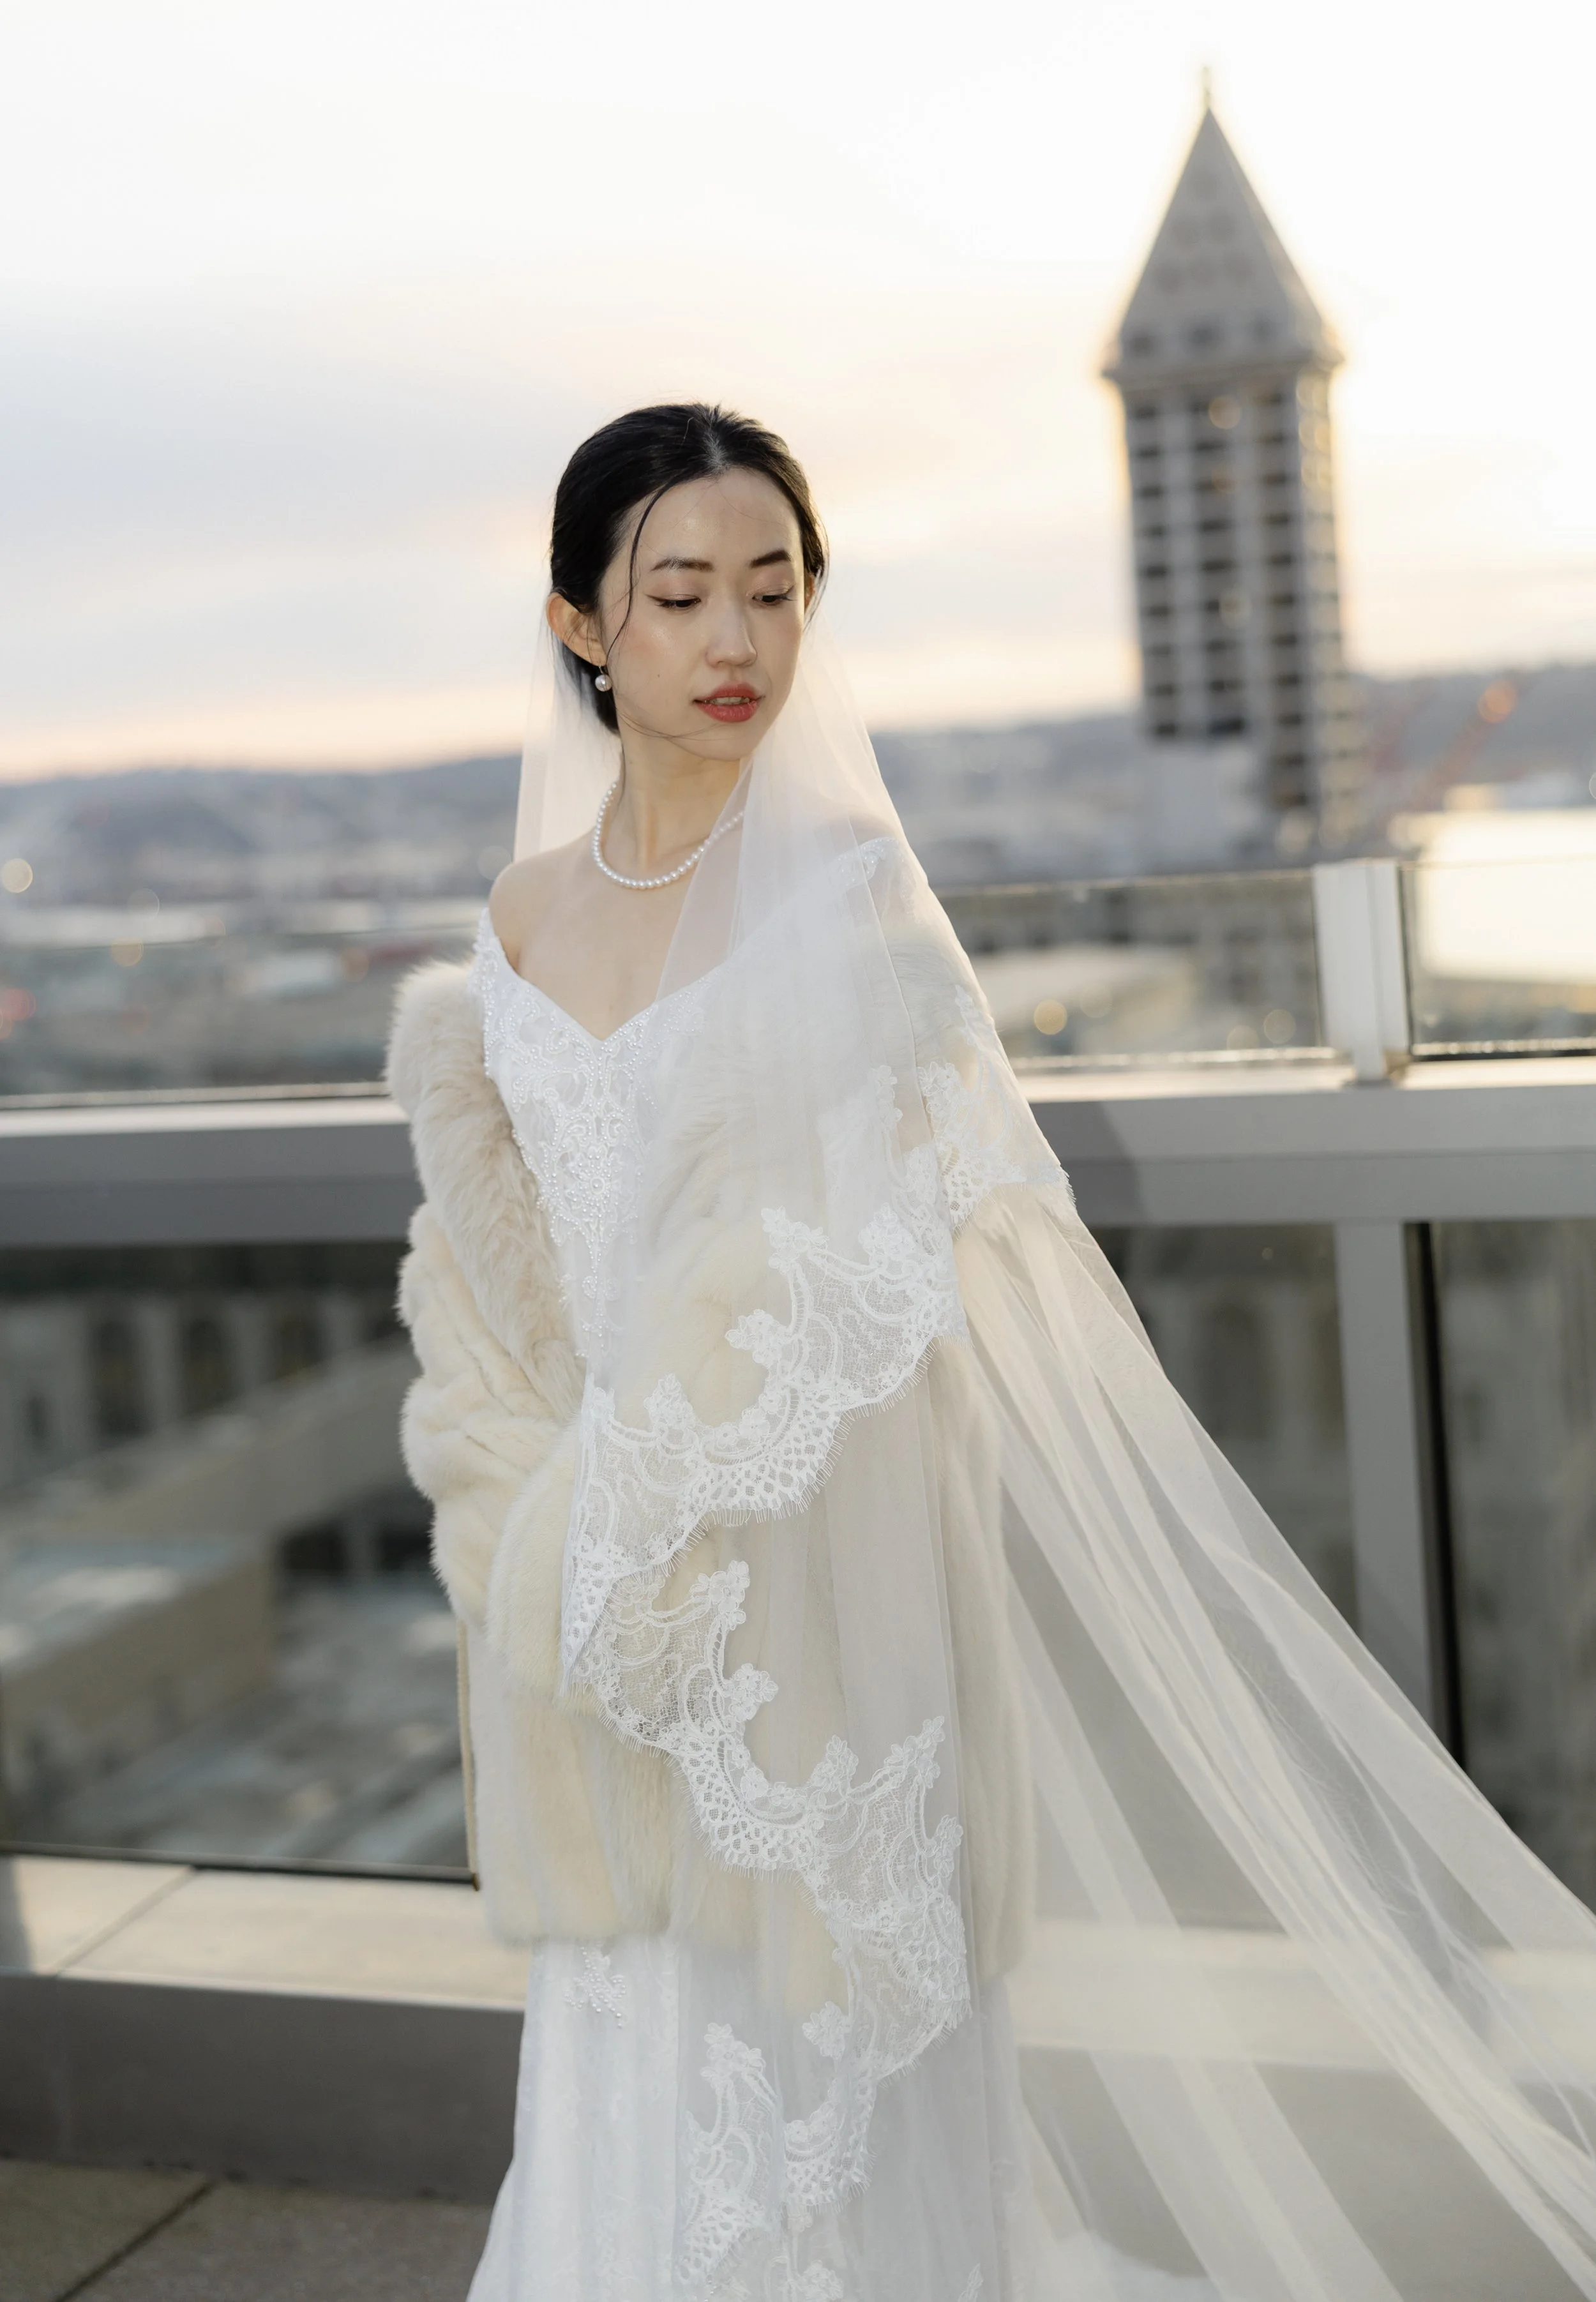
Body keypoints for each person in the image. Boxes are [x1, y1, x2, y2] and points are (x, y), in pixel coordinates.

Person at [388, 404, 1596, 2302]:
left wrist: (646, 1506)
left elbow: (890, 1250)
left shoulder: (844, 892)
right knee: (622, 2017)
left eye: (775, 589)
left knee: (807, 2066)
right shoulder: (519, 917)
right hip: (596, 1591)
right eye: (680, 594)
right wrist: (558, 1530)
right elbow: (506, 1269)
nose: (736, 640)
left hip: (804, 1564)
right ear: (579, 624)